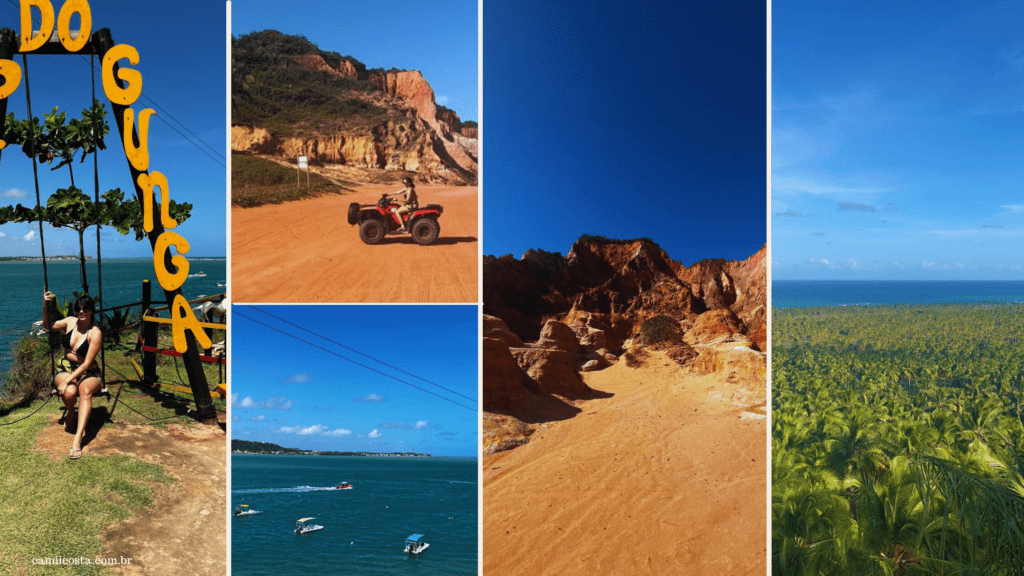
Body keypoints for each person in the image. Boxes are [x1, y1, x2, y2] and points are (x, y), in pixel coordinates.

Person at [43, 292, 103, 460]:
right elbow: (48, 325)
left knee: (84, 391)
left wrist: (68, 380)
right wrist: (45, 304)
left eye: (85, 309)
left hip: (88, 370)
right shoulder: (70, 322)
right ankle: (71, 413)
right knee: (69, 393)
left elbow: (86, 364)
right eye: (78, 308)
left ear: (91, 311)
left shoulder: (95, 333)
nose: (81, 312)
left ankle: (77, 440)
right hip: (66, 366)